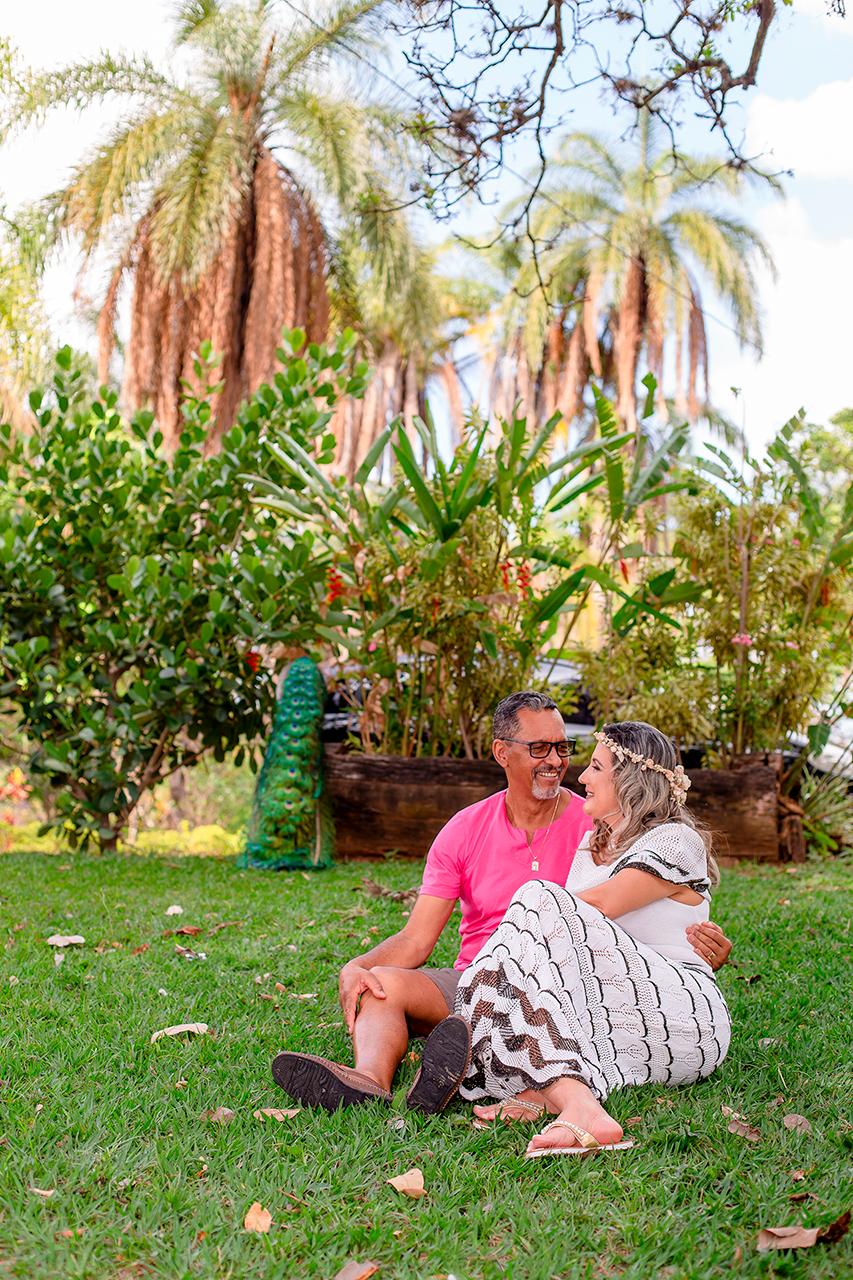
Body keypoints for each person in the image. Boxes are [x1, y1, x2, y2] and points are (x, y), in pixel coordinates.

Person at [271, 694, 732, 1114]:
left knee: (538, 907)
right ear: (502, 752)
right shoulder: (470, 829)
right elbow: (416, 938)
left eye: (564, 749)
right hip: (476, 978)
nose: (559, 763)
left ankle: (473, 1053)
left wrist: (696, 948)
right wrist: (359, 965)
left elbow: (632, 913)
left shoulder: (594, 820)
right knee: (380, 985)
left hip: (563, 987)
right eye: (539, 749)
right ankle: (369, 1079)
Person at [454, 721, 732, 1157]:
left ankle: (488, 1032)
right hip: (608, 1006)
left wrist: (520, 936)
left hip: (681, 1011)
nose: (580, 777)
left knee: (536, 900)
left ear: (629, 779)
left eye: (595, 766)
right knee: (536, 939)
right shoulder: (589, 847)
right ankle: (567, 1097)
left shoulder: (677, 840)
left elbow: (598, 905)